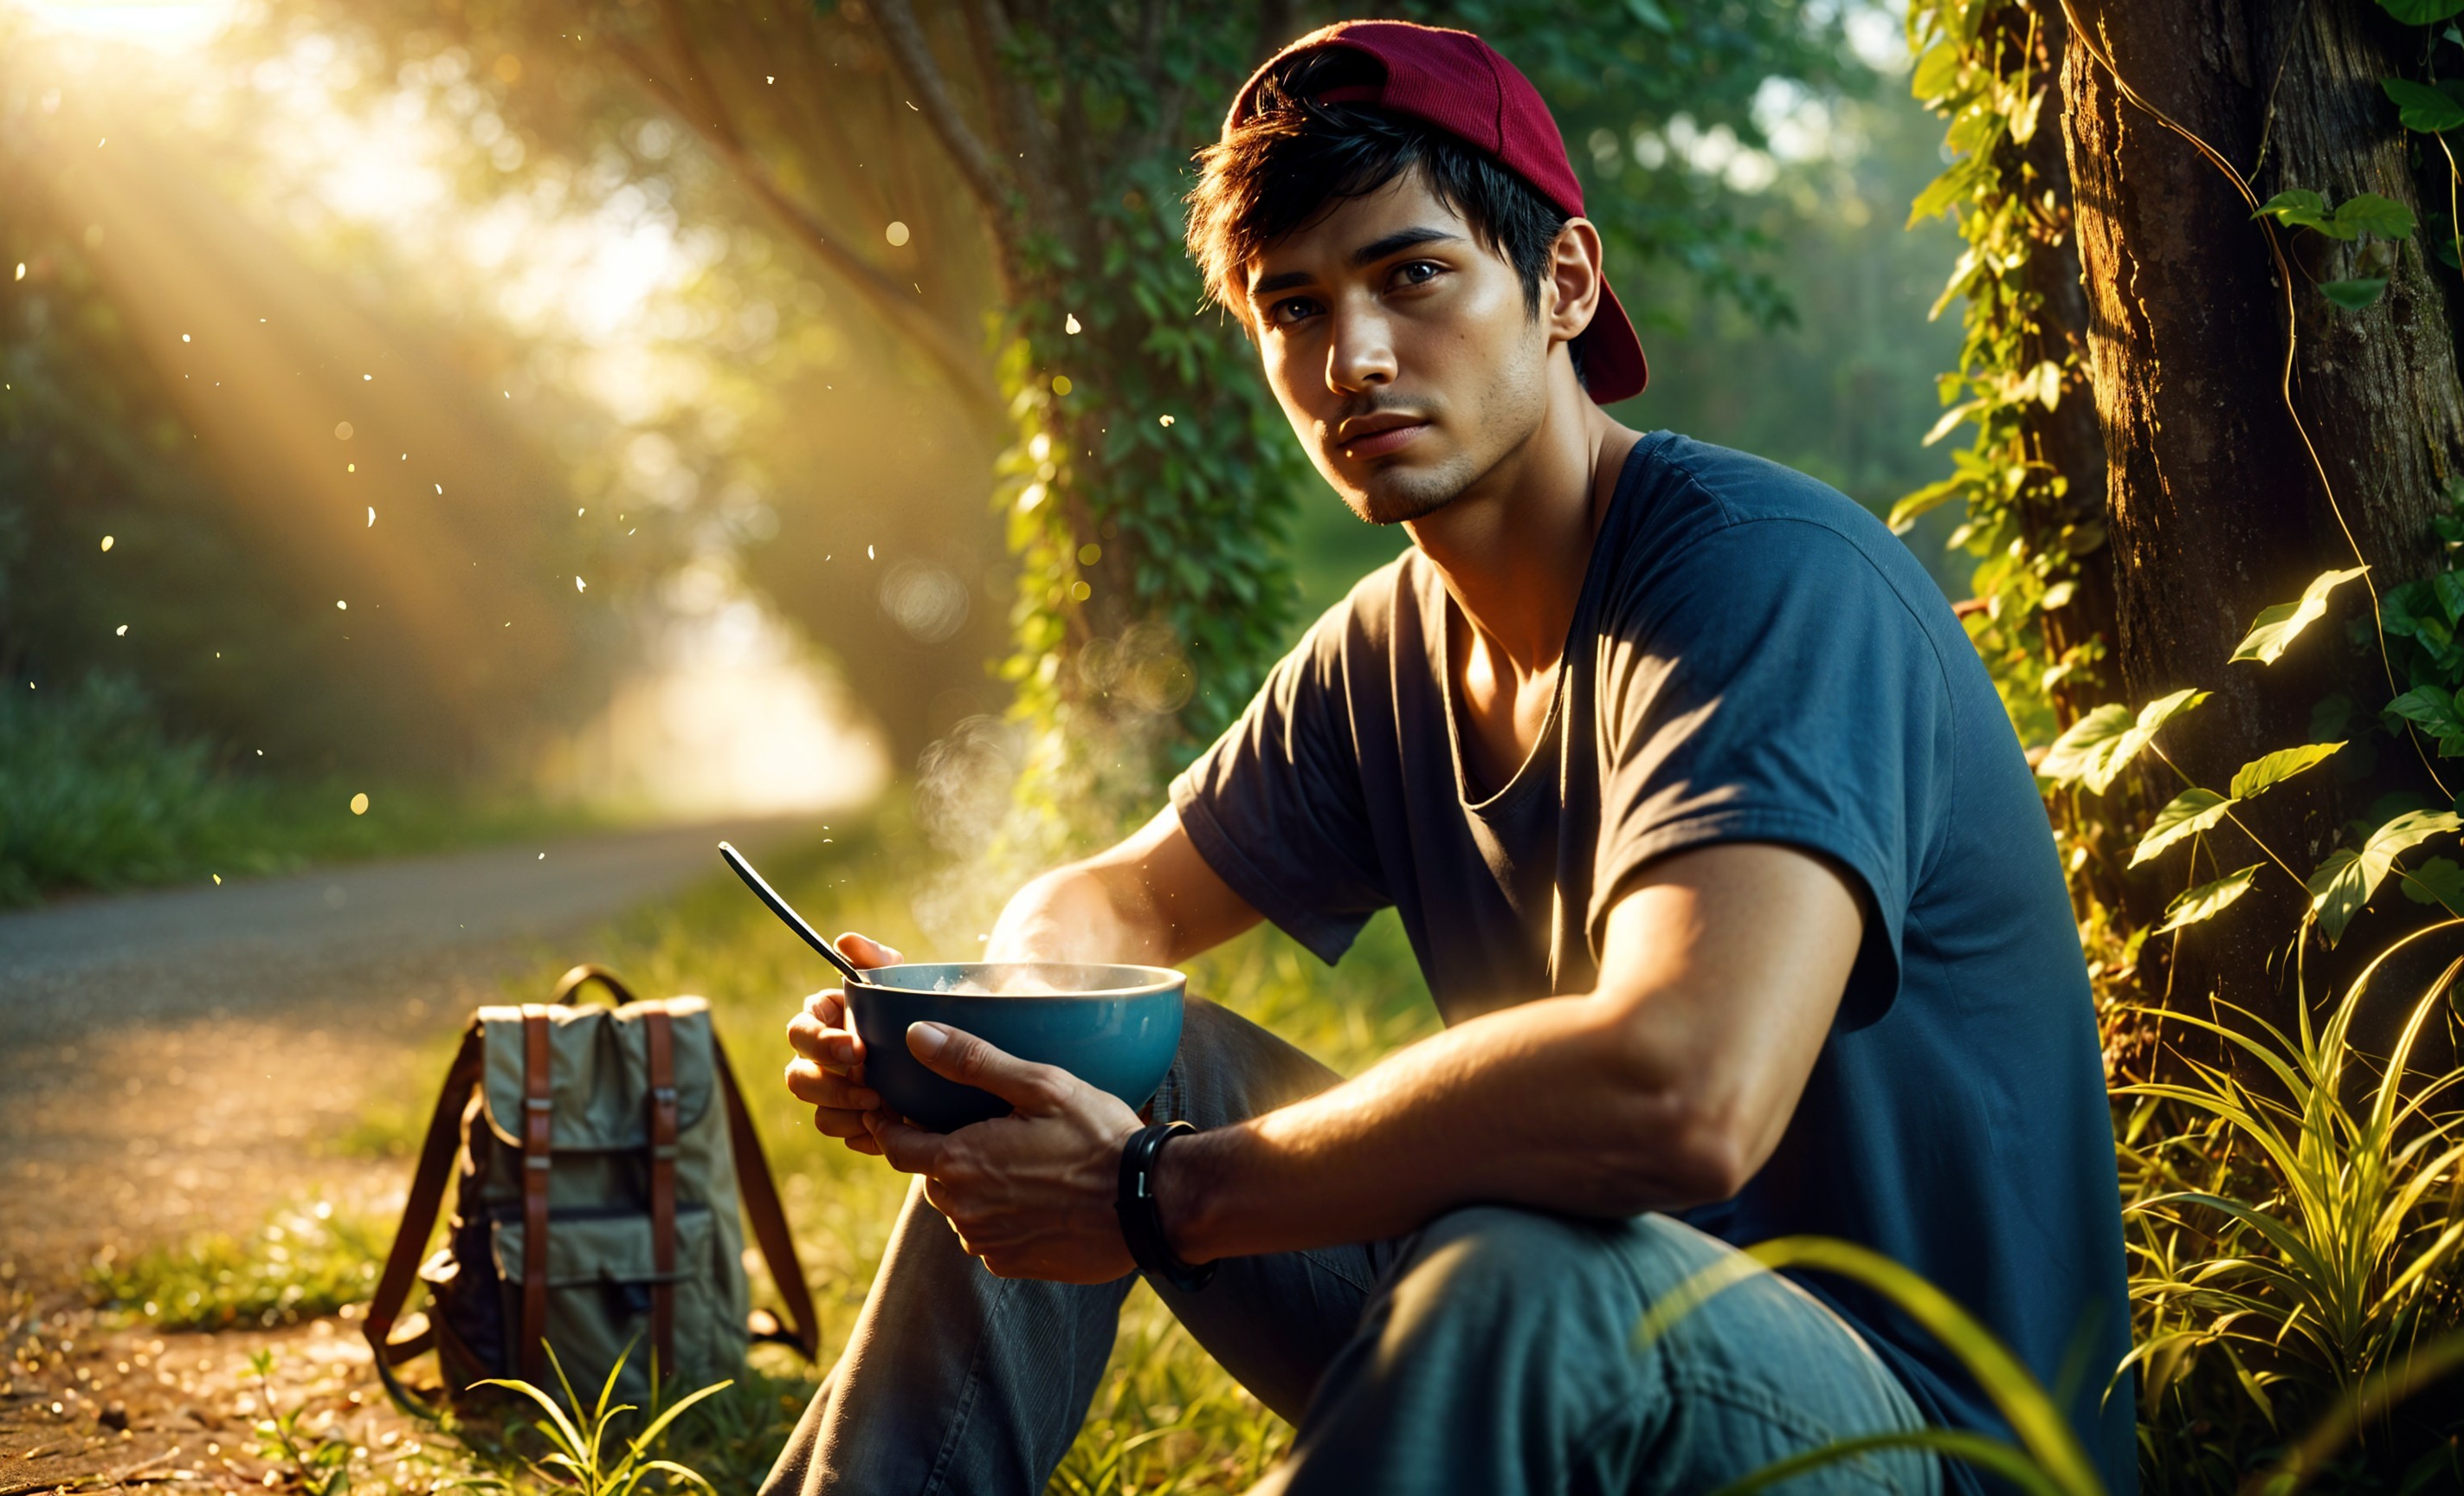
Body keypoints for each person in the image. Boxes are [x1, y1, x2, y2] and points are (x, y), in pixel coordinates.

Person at [767, 19, 2137, 1496]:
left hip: (1909, 1442)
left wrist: (1161, 1193)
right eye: (1293, 308)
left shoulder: (1766, 583)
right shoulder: (1390, 648)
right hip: (1570, 1353)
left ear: (1561, 282)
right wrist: (975, 1040)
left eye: (1411, 275)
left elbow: (1686, 1089)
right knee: (1134, 1078)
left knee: (1518, 1254)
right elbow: (1109, 909)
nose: (1351, 355)